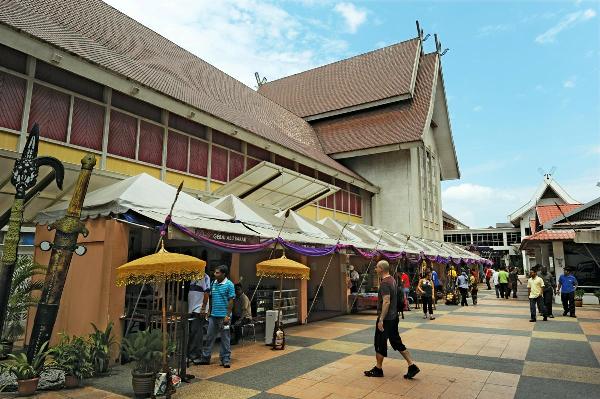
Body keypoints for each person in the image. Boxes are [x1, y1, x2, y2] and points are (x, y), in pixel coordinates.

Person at [364, 260, 420, 379]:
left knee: (379, 343)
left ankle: (378, 369)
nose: (375, 269)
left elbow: (386, 301)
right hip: (394, 317)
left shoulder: (385, 283)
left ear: (381, 269)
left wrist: (381, 320)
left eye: (377, 267)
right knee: (396, 341)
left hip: (386, 319)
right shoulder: (393, 280)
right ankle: (412, 365)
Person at [197, 265, 236, 368]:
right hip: (213, 316)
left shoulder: (229, 285)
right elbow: (211, 298)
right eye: (215, 272)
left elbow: (231, 301)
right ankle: (205, 358)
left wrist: (227, 316)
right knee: (209, 337)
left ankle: (225, 359)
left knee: (225, 338)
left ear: (223, 274)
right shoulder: (213, 283)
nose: (215, 274)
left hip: (224, 317)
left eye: (217, 273)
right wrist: (209, 310)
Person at [188, 272, 211, 363]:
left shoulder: (205, 276)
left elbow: (207, 292)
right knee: (193, 331)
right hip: (192, 308)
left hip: (199, 308)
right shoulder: (193, 276)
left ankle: (196, 353)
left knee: (196, 331)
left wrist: (203, 308)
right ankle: (192, 352)